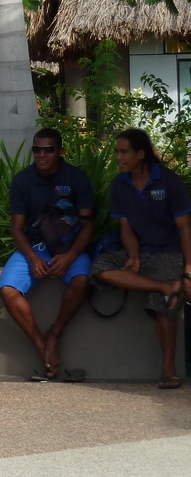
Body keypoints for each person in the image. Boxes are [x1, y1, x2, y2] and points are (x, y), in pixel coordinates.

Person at [91, 128, 191, 389]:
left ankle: (168, 369)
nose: (118, 158)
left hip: (169, 253)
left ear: (141, 153)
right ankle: (164, 285)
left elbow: (185, 228)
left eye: (124, 152)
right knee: (100, 267)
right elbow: (126, 228)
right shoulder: (119, 185)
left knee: (164, 303)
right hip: (141, 252)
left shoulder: (169, 182)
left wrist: (188, 270)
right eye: (116, 152)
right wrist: (134, 256)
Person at [0, 128, 94, 381]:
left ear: (60, 151)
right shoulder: (22, 180)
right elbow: (17, 229)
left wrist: (71, 256)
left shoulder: (77, 179)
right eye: (36, 149)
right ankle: (42, 347)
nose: (41, 155)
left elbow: (88, 226)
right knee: (7, 289)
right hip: (35, 247)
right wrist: (32, 258)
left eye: (48, 149)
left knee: (81, 280)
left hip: (68, 247)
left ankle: (54, 334)